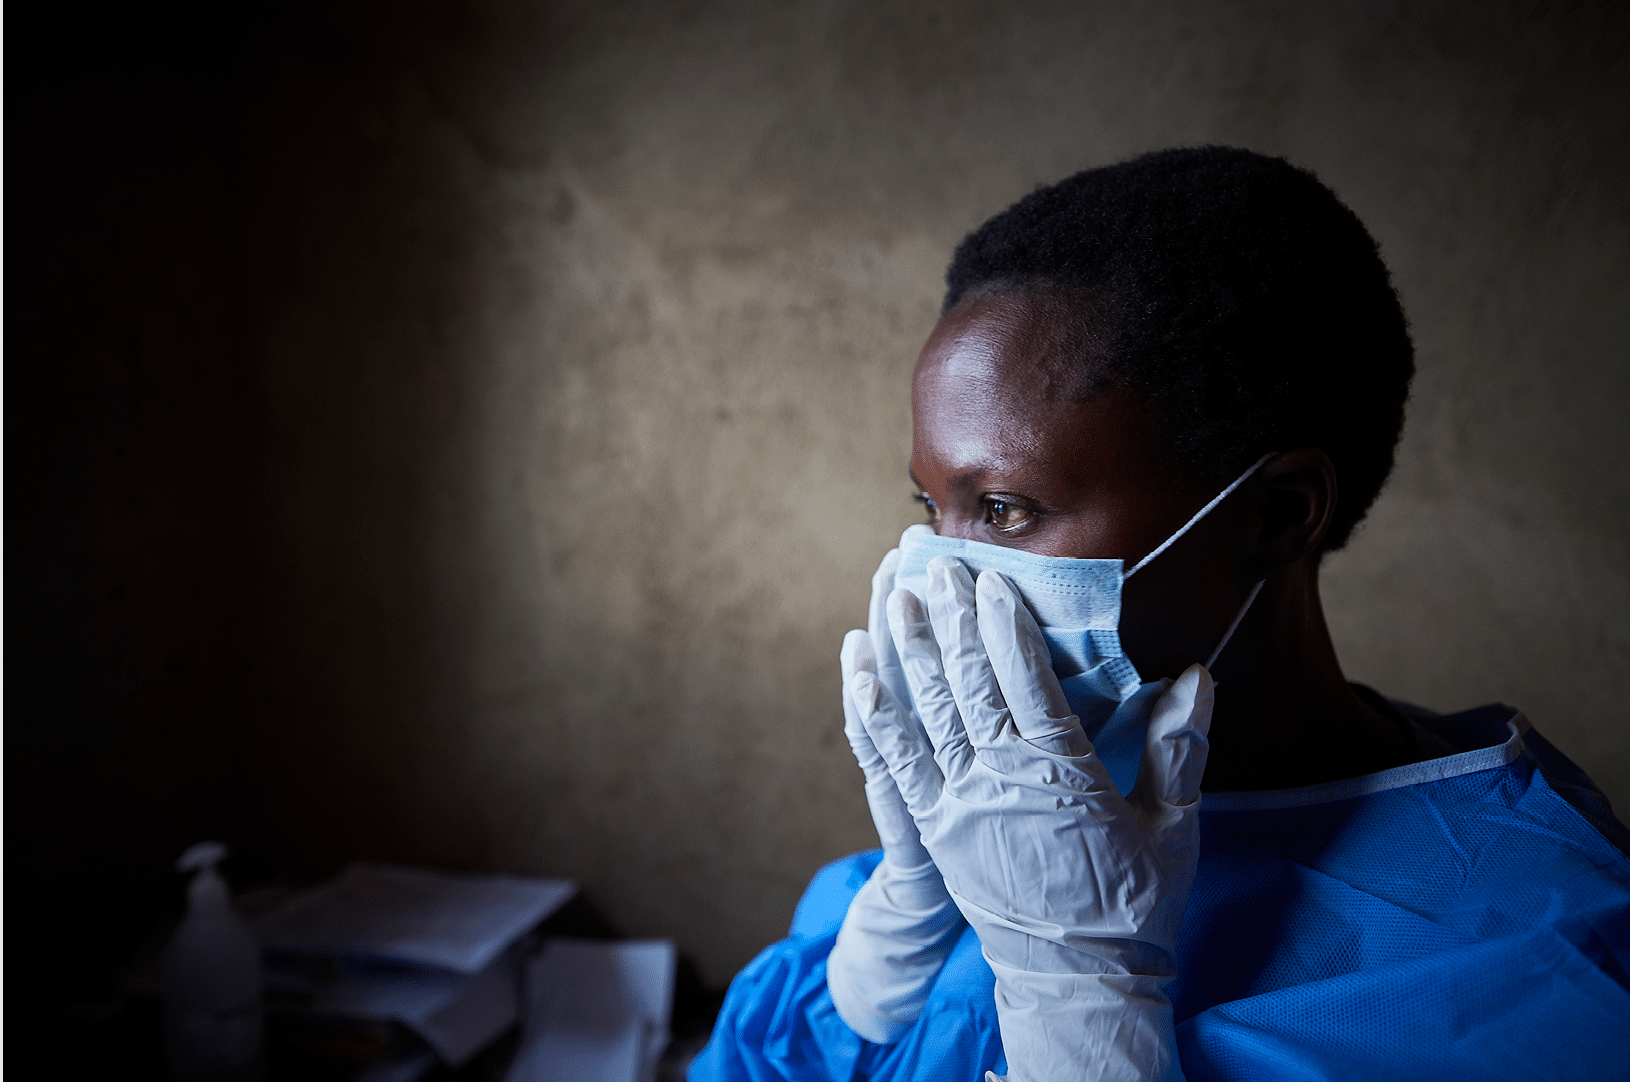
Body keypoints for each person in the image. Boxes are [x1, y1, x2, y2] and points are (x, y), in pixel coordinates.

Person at [688, 147, 1630, 1082]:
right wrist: (896, 935)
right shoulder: (1020, 818)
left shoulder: (1545, 966)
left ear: (1274, 514)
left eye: (1004, 510)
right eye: (929, 510)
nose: (930, 579)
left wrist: (1082, 1013)